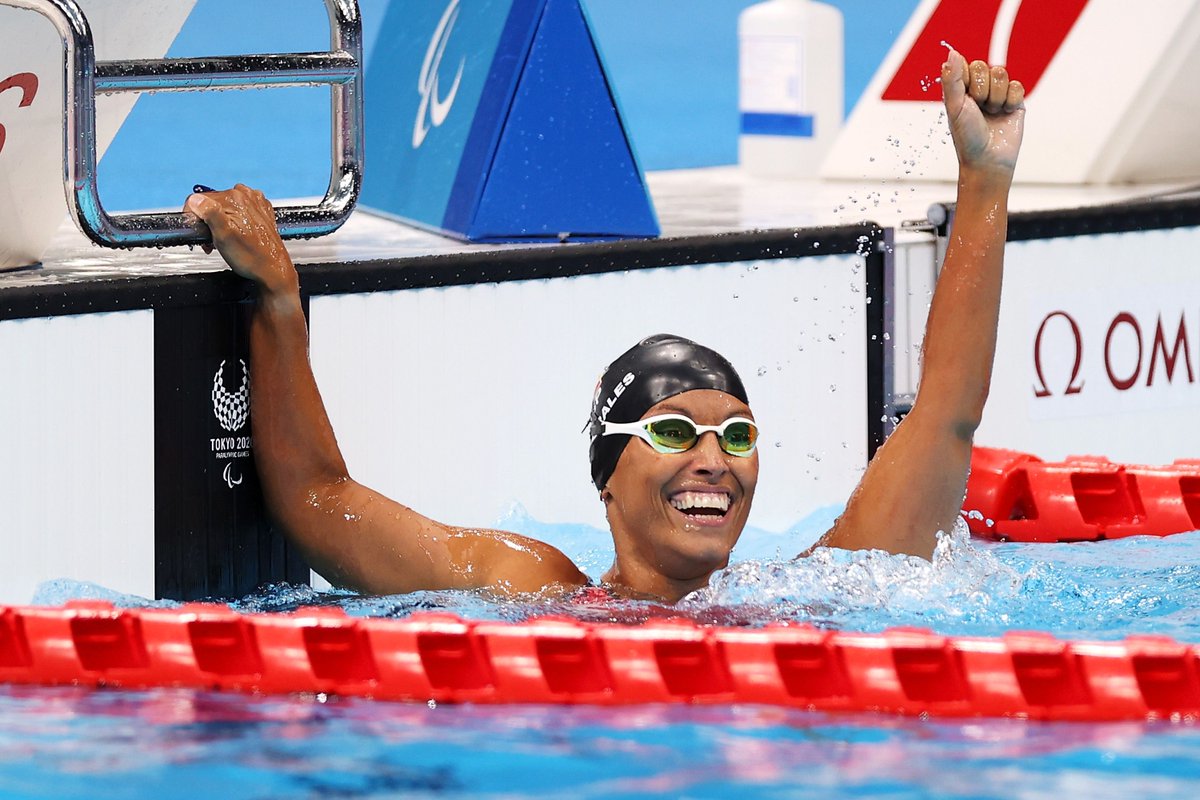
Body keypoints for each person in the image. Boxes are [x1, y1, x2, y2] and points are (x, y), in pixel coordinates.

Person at [183, 51, 1025, 603]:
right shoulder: (527, 586)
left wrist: (984, 181)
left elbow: (947, 412)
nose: (713, 461)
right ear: (606, 476)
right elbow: (320, 503)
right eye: (673, 430)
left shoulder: (801, 601)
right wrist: (281, 304)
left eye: (738, 437)